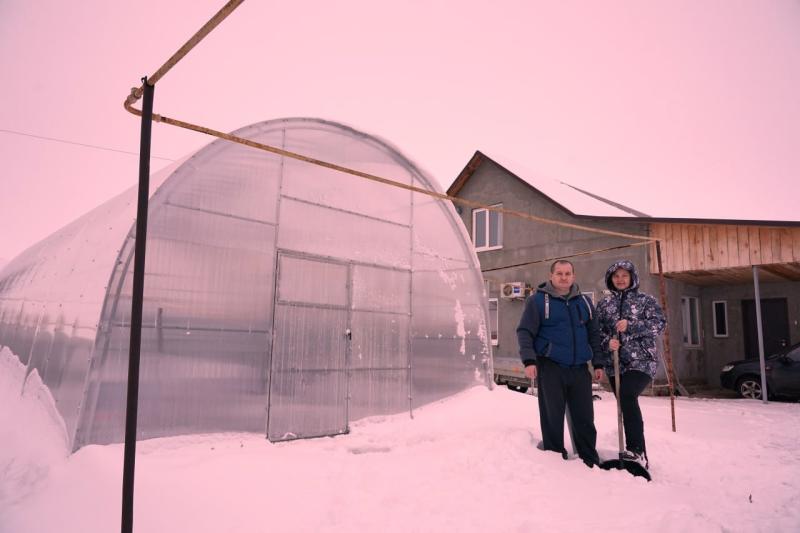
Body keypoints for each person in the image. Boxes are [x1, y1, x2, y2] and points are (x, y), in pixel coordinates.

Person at [516, 259, 604, 467]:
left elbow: (594, 334)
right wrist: (529, 360)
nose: (563, 277)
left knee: (584, 417)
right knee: (552, 416)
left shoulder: (584, 303)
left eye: (567, 274)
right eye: (559, 273)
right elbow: (525, 332)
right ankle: (554, 457)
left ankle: (588, 458)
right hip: (551, 366)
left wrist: (598, 363)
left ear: (573, 276)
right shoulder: (537, 301)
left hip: (580, 368)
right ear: (551, 276)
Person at [595, 259, 666, 469]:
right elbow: (596, 332)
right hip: (615, 362)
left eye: (624, 276)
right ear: (610, 279)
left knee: (627, 395)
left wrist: (631, 325)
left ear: (632, 277)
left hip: (642, 360)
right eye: (616, 276)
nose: (620, 279)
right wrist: (607, 342)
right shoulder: (604, 304)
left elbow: (659, 324)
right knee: (625, 403)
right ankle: (635, 454)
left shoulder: (645, 300)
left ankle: (637, 450)